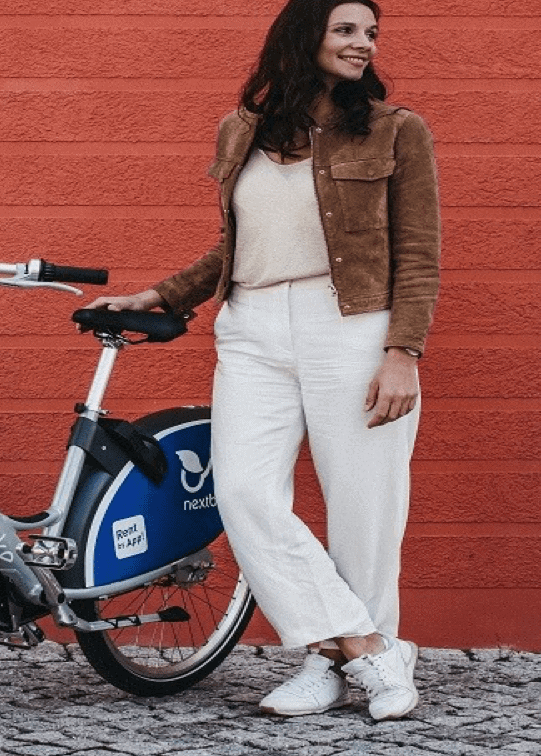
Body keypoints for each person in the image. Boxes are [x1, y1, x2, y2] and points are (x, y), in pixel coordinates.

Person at [85, 0, 440, 721]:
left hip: (351, 325)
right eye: (346, 30)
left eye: (370, 34)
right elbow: (237, 243)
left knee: (364, 507)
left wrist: (403, 351)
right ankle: (367, 647)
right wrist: (164, 293)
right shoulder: (242, 128)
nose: (363, 44)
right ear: (304, 36)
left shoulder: (395, 130)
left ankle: (329, 662)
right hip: (250, 326)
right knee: (244, 491)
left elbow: (418, 250)